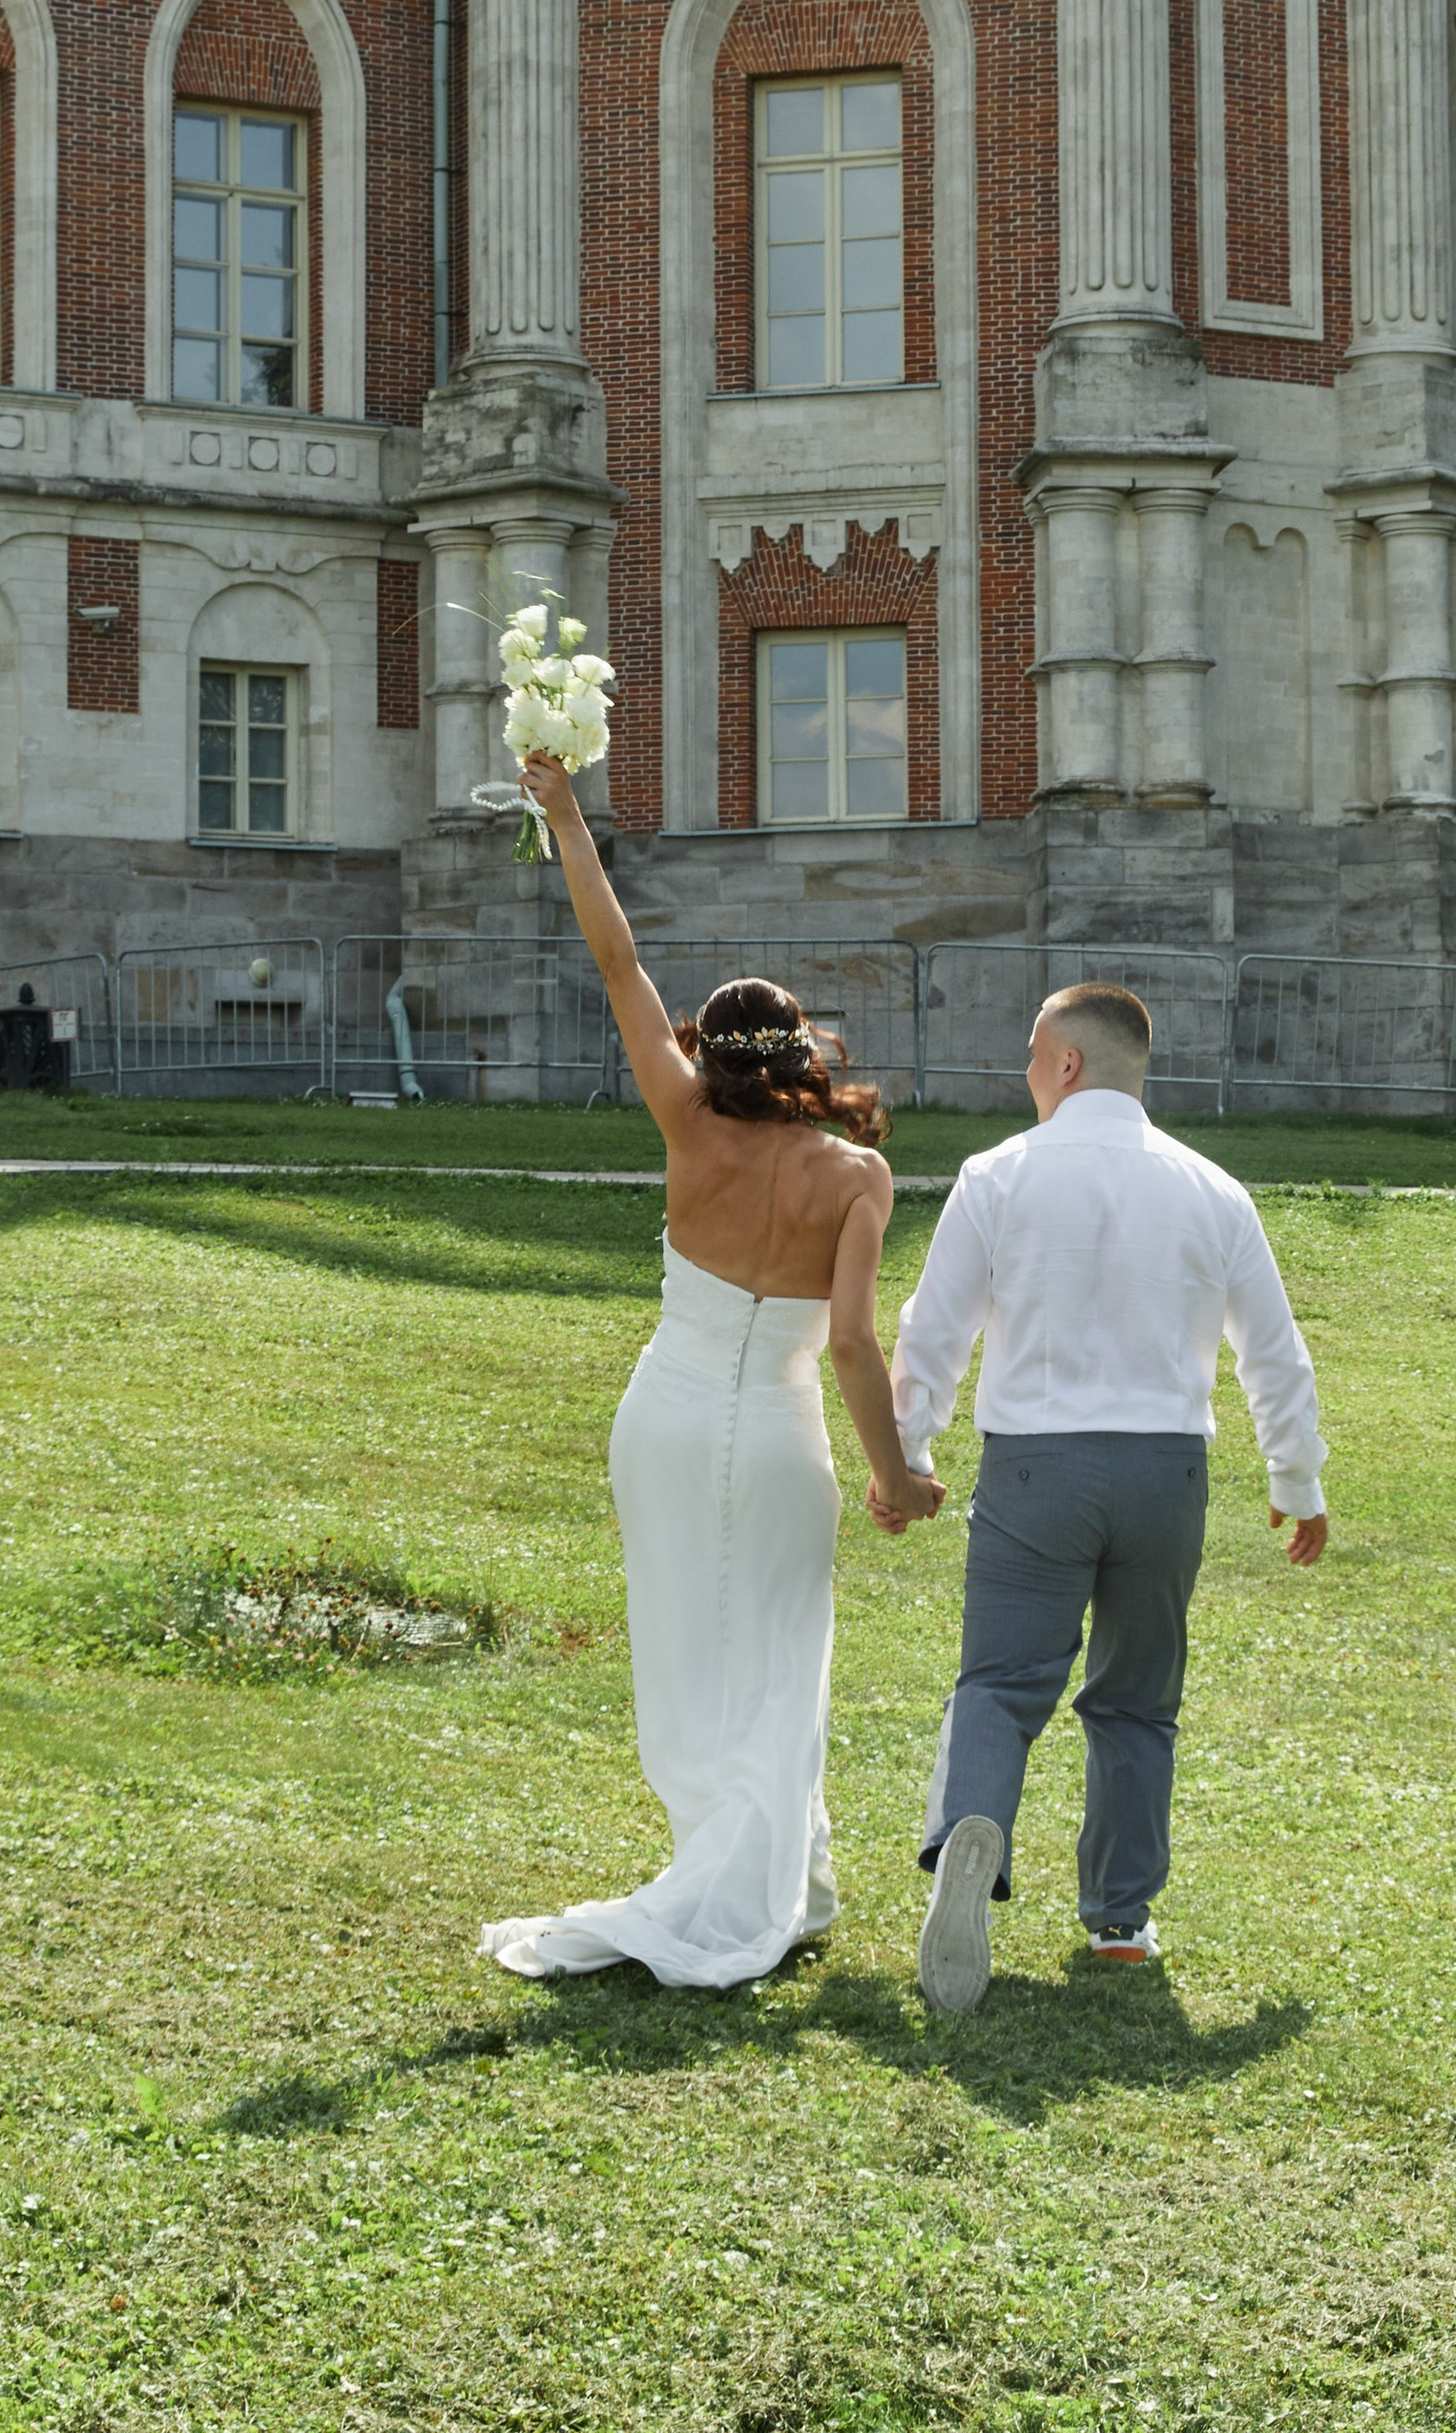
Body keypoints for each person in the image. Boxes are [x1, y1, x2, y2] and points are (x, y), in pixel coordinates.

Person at [479, 756, 943, 1989]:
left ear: (714, 1052)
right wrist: (895, 1475)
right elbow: (849, 1341)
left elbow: (617, 962)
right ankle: (762, 1882)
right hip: (780, 1434)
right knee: (783, 1657)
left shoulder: (685, 1122)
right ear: (798, 1050)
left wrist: (565, 812)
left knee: (687, 1651)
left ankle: (772, 1875)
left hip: (668, 1421)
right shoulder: (856, 1178)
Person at [891, 981, 1329, 2017]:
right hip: (1164, 1473)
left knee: (998, 1683)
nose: (1026, 1073)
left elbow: (934, 1329)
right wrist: (1294, 1478)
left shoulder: (994, 1176)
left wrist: (904, 1452)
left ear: (1069, 1065)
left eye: (1033, 1054)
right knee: (1135, 1702)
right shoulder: (1214, 1190)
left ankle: (969, 1836)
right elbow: (1274, 1351)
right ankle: (1120, 1920)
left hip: (1035, 1465)